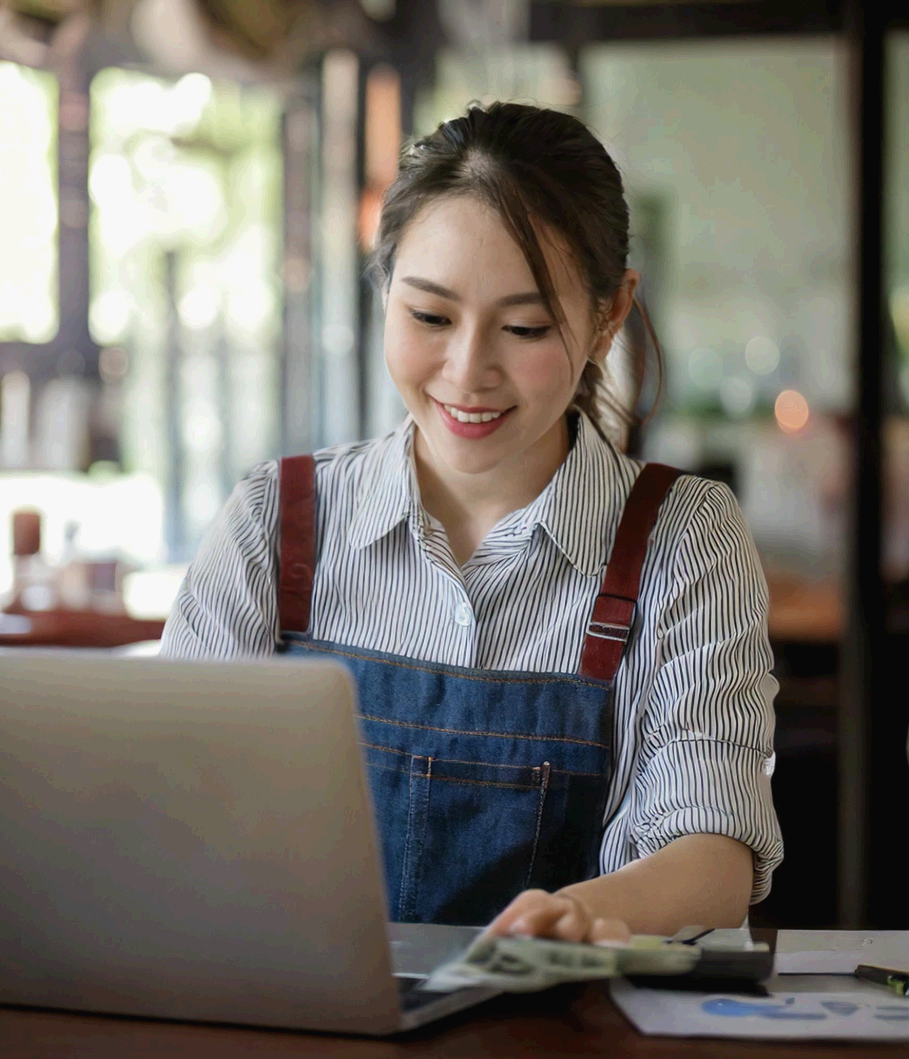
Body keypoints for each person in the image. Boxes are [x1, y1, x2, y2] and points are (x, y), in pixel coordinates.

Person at [161, 101, 783, 945]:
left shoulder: (684, 539)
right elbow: (172, 806)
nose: (467, 371)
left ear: (609, 315)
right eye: (430, 317)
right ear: (383, 289)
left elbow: (714, 859)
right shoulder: (276, 522)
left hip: (561, 1013)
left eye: (524, 327)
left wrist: (580, 918)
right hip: (297, 1007)